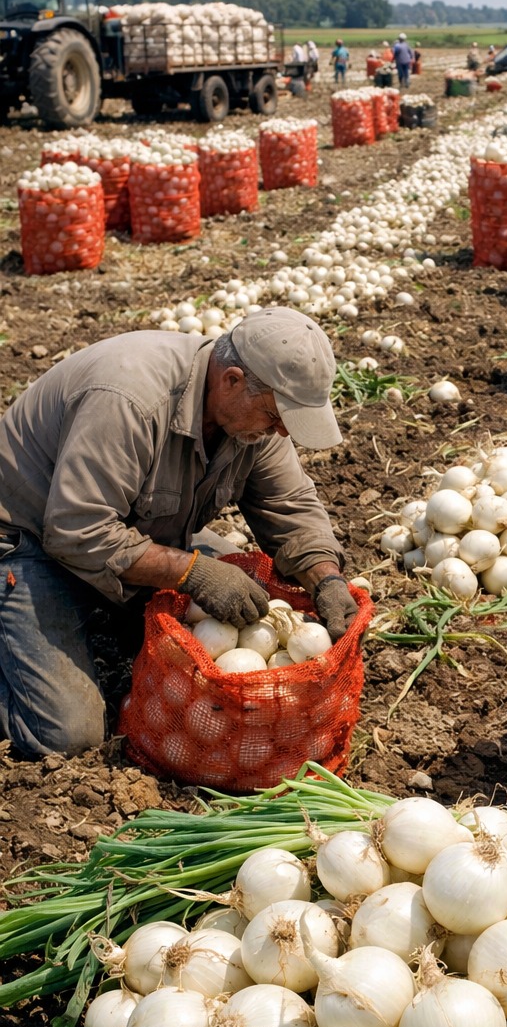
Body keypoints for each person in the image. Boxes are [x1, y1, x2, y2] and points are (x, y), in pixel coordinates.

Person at [0, 309, 358, 758]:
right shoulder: (128, 400)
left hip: (136, 533)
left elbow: (289, 505)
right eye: (275, 415)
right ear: (231, 380)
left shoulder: (252, 416)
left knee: (241, 586)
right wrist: (194, 572)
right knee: (65, 736)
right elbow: (77, 530)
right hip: (29, 541)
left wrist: (326, 579)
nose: (282, 430)